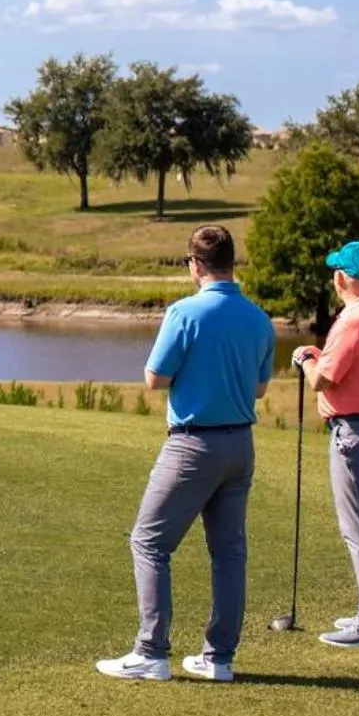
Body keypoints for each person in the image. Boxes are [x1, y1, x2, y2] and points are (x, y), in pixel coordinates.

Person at [97, 224, 275, 683]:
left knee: (149, 541)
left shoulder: (184, 313)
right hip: (240, 445)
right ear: (233, 262)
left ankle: (152, 652)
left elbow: (155, 378)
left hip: (194, 444)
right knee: (229, 552)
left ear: (194, 265)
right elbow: (257, 389)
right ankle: (219, 659)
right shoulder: (258, 318)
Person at [291, 240, 359, 648]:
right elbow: (350, 367)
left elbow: (322, 380)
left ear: (341, 278)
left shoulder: (354, 319)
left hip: (357, 433)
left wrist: (305, 358)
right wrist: (319, 355)